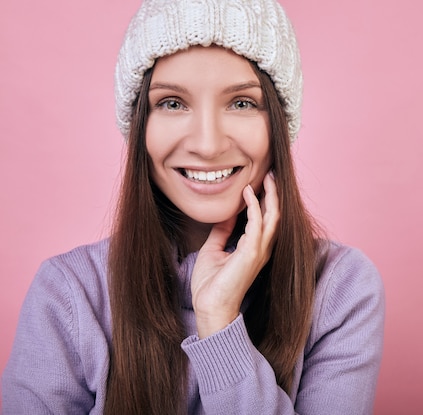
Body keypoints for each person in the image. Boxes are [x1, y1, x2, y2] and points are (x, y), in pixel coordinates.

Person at [2, 0, 385, 413]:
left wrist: (219, 321)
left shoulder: (340, 288)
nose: (207, 143)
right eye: (171, 103)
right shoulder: (70, 293)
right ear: (139, 129)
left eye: (241, 103)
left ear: (277, 124)